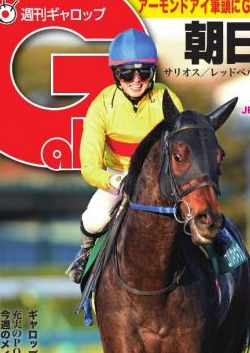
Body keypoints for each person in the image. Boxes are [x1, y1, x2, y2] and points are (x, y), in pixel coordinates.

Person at [66, 28, 183, 283]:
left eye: (144, 72)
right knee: (94, 220)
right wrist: (113, 180)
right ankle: (85, 252)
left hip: (159, 177)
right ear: (116, 74)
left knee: (196, 210)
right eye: (127, 73)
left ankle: (221, 254)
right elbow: (89, 167)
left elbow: (181, 148)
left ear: (153, 72)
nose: (136, 80)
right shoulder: (101, 106)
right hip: (118, 178)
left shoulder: (167, 98)